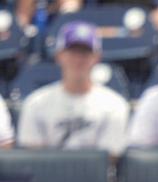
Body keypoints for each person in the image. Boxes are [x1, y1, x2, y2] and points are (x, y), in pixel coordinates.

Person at [16, 21, 130, 157]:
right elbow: (33, 156)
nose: (78, 59)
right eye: (72, 51)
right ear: (59, 56)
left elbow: (110, 158)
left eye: (85, 52)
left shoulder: (114, 105)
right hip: (48, 177)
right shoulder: (36, 103)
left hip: (96, 177)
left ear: (97, 57)